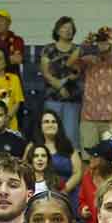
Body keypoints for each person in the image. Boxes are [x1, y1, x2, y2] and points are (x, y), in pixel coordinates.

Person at [73, 27, 112, 149]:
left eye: (106, 39)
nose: (103, 43)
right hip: (89, 117)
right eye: (100, 39)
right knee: (89, 157)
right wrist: (83, 46)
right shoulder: (88, 59)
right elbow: (69, 64)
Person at [41, 17, 83, 145]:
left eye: (70, 28)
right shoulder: (48, 49)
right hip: (52, 99)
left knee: (71, 137)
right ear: (57, 30)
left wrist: (68, 85)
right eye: (64, 28)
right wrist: (60, 87)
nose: (68, 31)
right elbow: (46, 73)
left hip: (73, 98)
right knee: (51, 135)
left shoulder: (78, 49)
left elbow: (78, 71)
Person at [30, 109, 81, 194]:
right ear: (40, 126)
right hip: (39, 193)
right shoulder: (32, 146)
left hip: (67, 194)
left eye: (54, 122)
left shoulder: (68, 146)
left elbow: (77, 173)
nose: (50, 124)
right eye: (46, 122)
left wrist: (63, 191)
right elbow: (26, 171)